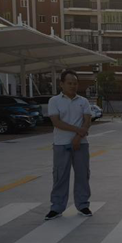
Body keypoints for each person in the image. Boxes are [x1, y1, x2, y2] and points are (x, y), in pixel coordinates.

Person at [45, 70, 93, 221]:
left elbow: (87, 121)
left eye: (75, 83)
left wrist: (78, 138)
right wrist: (78, 130)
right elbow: (56, 122)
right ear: (62, 84)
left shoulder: (83, 101)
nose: (73, 86)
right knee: (60, 176)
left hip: (81, 144)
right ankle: (57, 207)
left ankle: (83, 205)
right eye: (69, 83)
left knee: (82, 175)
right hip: (61, 144)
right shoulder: (54, 101)